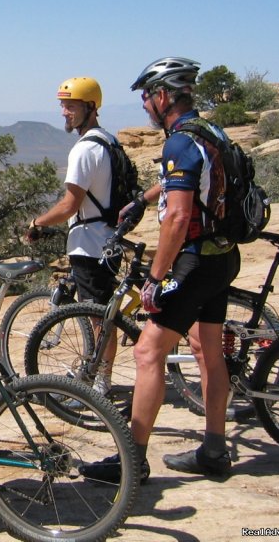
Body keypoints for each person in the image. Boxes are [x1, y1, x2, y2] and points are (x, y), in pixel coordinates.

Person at [82, 56, 239, 485]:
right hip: (222, 256)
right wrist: (145, 198)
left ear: (163, 96)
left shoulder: (178, 143)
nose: (145, 106)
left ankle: (131, 461)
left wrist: (155, 277)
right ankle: (213, 450)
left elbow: (179, 216)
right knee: (208, 349)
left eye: (147, 97)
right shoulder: (210, 132)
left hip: (192, 260)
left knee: (148, 352)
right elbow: (184, 183)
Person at [25, 77, 122, 396]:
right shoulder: (108, 141)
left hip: (90, 244)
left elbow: (69, 205)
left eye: (71, 106)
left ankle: (100, 384)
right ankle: (96, 372)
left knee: (97, 316)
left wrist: (37, 222)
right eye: (63, 106)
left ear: (90, 107)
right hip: (108, 239)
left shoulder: (85, 150)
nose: (64, 112)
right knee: (100, 311)